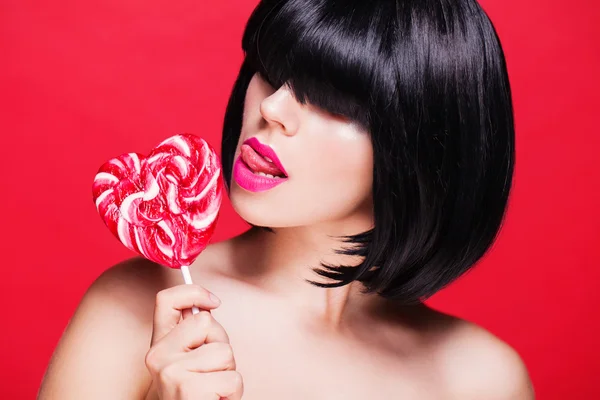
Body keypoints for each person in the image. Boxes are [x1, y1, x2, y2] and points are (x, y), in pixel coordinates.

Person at [38, 0, 535, 398]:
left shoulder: (482, 378)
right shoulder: (137, 309)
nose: (273, 108)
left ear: (422, 150)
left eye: (332, 101)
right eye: (272, 71)